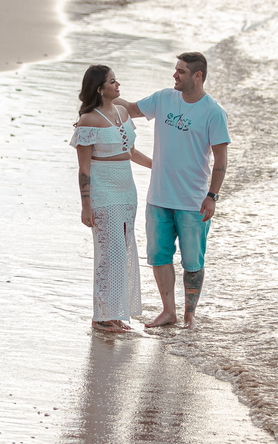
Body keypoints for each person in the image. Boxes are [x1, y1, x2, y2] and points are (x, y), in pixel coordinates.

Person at [115, 52, 229, 330]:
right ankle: (169, 311)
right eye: (175, 70)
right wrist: (98, 97)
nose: (174, 75)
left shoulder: (214, 112)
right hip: (158, 197)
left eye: (181, 71)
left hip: (193, 201)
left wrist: (211, 196)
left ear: (197, 76)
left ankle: (190, 315)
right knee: (159, 256)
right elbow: (130, 108)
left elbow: (221, 161)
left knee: (192, 262)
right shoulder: (164, 98)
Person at [70, 64, 153, 333]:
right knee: (108, 253)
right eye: (113, 82)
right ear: (99, 88)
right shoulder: (88, 121)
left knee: (124, 251)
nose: (118, 86)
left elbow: (130, 152)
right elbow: (84, 168)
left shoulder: (122, 112)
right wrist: (86, 206)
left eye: (117, 81)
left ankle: (116, 313)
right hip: (103, 192)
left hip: (127, 190)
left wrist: (157, 165)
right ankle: (101, 317)